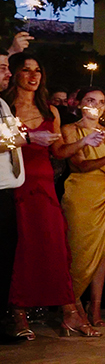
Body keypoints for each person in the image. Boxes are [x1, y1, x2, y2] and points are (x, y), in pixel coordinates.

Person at [3, 56, 98, 338]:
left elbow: (58, 151)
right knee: (23, 248)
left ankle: (70, 312)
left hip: (45, 182)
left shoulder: (50, 111)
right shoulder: (5, 108)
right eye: (26, 70)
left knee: (55, 245)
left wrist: (83, 141)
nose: (33, 76)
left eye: (37, 71)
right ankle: (18, 313)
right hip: (17, 181)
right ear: (16, 74)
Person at [58, 88, 105, 327]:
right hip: (81, 195)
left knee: (101, 252)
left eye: (101, 102)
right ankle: (72, 305)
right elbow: (79, 165)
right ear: (80, 104)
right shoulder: (70, 130)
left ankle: (94, 308)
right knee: (78, 249)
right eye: (90, 100)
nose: (96, 106)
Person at [0, 49, 27, 344]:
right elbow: (9, 139)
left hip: (7, 189)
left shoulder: (2, 104)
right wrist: (19, 139)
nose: (10, 73)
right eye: (4, 68)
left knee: (6, 258)